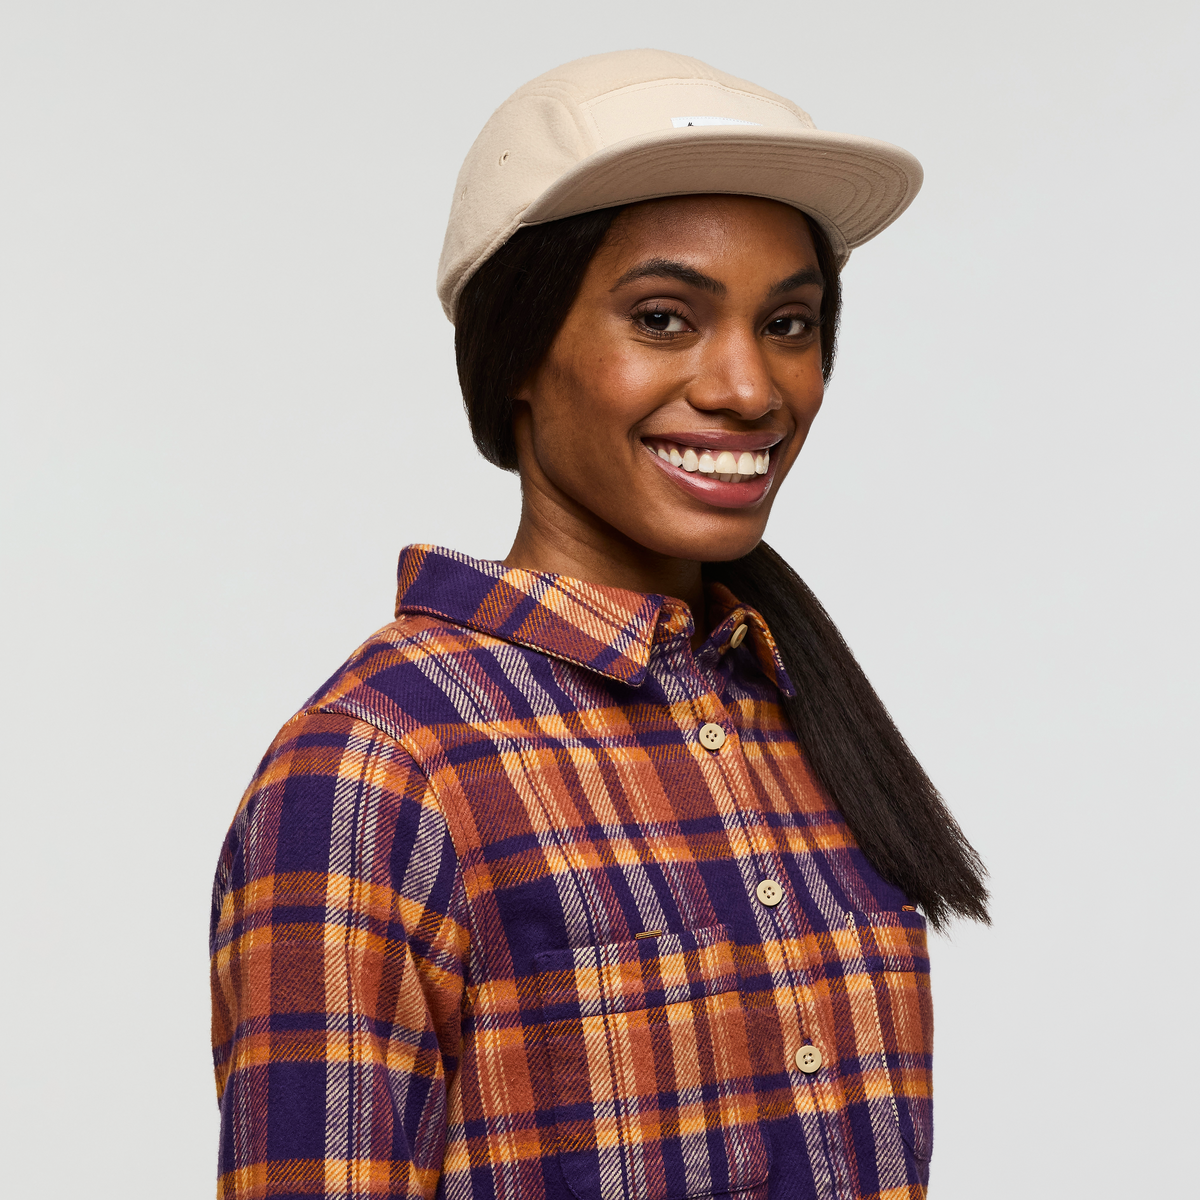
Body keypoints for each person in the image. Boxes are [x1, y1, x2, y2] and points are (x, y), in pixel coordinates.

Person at [210, 49, 988, 1200]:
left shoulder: (800, 720)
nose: (749, 389)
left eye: (790, 322)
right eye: (665, 318)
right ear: (520, 349)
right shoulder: (379, 767)